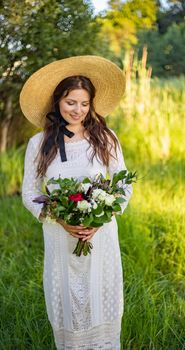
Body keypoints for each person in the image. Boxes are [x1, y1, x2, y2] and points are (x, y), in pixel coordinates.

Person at [20, 56, 133, 350]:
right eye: (71, 102)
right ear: (58, 101)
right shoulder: (40, 143)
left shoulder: (105, 138)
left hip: (101, 235)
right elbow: (30, 191)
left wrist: (100, 219)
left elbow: (122, 185)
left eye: (84, 103)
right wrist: (59, 218)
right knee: (68, 301)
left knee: (100, 294)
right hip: (60, 236)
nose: (78, 110)